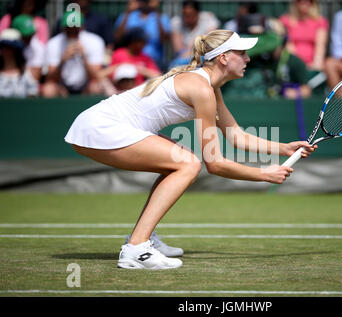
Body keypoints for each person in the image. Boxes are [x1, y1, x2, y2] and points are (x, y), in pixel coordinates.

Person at [64, 30, 317, 270]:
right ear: (223, 57)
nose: (248, 58)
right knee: (188, 163)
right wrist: (264, 174)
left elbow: (236, 136)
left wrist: (284, 148)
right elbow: (214, 163)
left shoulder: (209, 88)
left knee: (179, 162)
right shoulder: (201, 89)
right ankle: (136, 248)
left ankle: (144, 235)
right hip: (99, 127)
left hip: (98, 126)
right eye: (242, 53)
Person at [42, 11, 105, 97]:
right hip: (61, 88)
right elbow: (50, 78)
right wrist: (62, 61)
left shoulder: (95, 41)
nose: (72, 30)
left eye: (75, 28)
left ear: (82, 27)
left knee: (96, 87)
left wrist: (84, 58)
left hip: (85, 87)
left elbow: (96, 76)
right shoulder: (53, 43)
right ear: (63, 28)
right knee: (48, 89)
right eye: (69, 28)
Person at [114, 0, 171, 67]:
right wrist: (128, 11)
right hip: (129, 59)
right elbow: (118, 37)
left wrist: (156, 11)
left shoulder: (162, 18)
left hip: (154, 60)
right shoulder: (128, 15)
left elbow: (163, 39)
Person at [279, 0, 328, 71]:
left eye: (309, 0)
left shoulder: (320, 21)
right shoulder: (285, 20)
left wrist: (316, 63)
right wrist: (300, 64)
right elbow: (288, 44)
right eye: (300, 0)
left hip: (313, 64)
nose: (305, 2)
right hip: (292, 64)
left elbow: (320, 45)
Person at [170, 0, 220, 67]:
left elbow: (210, 44)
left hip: (205, 60)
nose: (187, 18)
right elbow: (179, 50)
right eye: (185, 14)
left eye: (190, 14)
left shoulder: (208, 19)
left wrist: (192, 47)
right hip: (183, 61)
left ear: (197, 13)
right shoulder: (176, 21)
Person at [0, 28, 39, 97]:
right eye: (2, 47)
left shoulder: (27, 74)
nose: (5, 50)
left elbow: (32, 97)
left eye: (9, 47)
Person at [11, 14, 45, 82]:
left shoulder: (38, 47)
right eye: (25, 35)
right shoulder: (6, 46)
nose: (29, 37)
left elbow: (36, 76)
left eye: (31, 33)